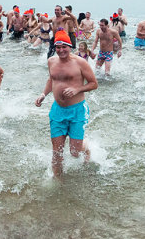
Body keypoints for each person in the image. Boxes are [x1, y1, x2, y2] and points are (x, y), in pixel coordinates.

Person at [35, 30, 98, 178]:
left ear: (70, 46)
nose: (61, 50)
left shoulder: (80, 62)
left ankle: (85, 147)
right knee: (57, 152)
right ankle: (58, 183)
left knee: (74, 152)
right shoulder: (51, 61)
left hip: (77, 110)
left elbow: (94, 84)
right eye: (58, 47)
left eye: (64, 46)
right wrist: (43, 94)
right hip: (58, 111)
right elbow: (51, 80)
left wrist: (78, 89)